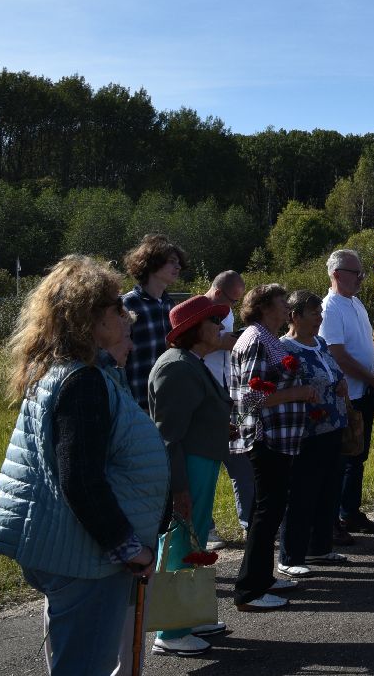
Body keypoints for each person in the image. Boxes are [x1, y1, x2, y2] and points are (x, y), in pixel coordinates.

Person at [0, 255, 168, 676]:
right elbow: (79, 479)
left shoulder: (62, 372)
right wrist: (129, 548)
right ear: (92, 319)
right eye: (117, 306)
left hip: (68, 547)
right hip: (86, 556)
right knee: (84, 667)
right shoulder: (82, 382)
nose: (126, 313)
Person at [147, 295, 234, 656]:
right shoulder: (177, 367)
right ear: (195, 329)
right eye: (214, 321)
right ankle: (170, 630)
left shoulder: (191, 362)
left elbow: (195, 416)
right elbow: (169, 436)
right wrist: (179, 488)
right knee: (181, 540)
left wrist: (217, 427)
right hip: (188, 467)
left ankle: (190, 615)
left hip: (201, 461)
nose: (220, 328)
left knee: (193, 538)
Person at [229, 283, 319, 612]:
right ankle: (249, 591)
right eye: (282, 303)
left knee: (268, 510)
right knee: (267, 512)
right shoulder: (256, 340)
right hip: (266, 437)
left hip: (280, 438)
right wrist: (299, 393)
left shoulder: (264, 338)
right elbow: (253, 397)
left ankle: (262, 578)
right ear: (266, 307)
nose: (286, 308)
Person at [277, 290, 350, 577]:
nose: (320, 318)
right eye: (314, 313)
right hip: (306, 431)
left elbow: (331, 371)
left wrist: (341, 381)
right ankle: (291, 554)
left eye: (320, 313)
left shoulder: (319, 343)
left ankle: (320, 547)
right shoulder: (284, 349)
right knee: (301, 493)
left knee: (328, 489)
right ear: (294, 316)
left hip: (333, 426)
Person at [319, 249, 374, 544]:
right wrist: (371, 378)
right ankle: (332, 521)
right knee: (341, 459)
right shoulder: (330, 307)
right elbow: (337, 354)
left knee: (358, 456)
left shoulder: (355, 302)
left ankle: (350, 512)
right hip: (347, 394)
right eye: (355, 273)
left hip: (364, 390)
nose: (361, 278)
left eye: (362, 272)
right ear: (336, 275)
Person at [199, 270, 249, 551]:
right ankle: (206, 529)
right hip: (205, 400)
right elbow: (209, 343)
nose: (233, 307)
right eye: (232, 300)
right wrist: (237, 340)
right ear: (218, 293)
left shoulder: (225, 312)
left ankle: (249, 522)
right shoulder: (201, 310)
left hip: (230, 397)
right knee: (206, 468)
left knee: (241, 463)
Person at [120, 233, 186, 406]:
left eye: (178, 262)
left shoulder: (170, 305)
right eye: (172, 261)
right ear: (152, 262)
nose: (178, 267)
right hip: (136, 402)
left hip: (167, 401)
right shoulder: (126, 305)